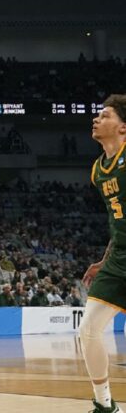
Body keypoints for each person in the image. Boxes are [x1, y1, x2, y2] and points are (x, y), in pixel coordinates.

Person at [80, 95, 126, 413]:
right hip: (119, 256)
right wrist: (104, 258)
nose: (97, 119)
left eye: (105, 115)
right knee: (89, 329)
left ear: (123, 127)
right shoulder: (99, 170)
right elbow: (115, 219)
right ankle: (104, 404)